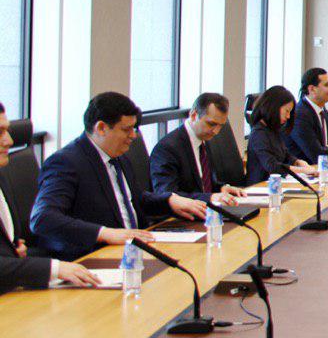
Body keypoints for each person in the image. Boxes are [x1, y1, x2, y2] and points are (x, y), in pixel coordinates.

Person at [30, 92, 207, 261]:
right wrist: (106, 233)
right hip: (94, 255)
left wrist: (169, 200)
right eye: (126, 129)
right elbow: (43, 218)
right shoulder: (66, 162)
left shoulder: (118, 156)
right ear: (101, 128)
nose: (133, 136)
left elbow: (134, 200)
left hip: (135, 248)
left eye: (134, 129)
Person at [0, 101, 101, 291]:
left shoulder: (2, 175)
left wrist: (13, 251)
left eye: (7, 131)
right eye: (0, 132)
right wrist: (55, 269)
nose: (9, 141)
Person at [150, 92, 248, 204]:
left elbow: (204, 183)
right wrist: (210, 197)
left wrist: (222, 188)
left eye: (220, 126)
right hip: (185, 213)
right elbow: (168, 195)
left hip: (207, 209)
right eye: (211, 124)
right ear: (193, 115)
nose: (216, 131)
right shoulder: (167, 148)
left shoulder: (204, 140)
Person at [246, 86, 316, 185]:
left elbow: (285, 155)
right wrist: (302, 170)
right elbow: (272, 166)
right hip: (260, 187)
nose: (288, 116)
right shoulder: (258, 133)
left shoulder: (273, 130)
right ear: (274, 107)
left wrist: (298, 162)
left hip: (275, 185)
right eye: (287, 111)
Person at [287, 68, 328, 164]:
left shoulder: (324, 112)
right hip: (304, 170)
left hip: (324, 169)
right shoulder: (299, 115)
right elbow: (316, 155)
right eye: (327, 85)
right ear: (312, 89)